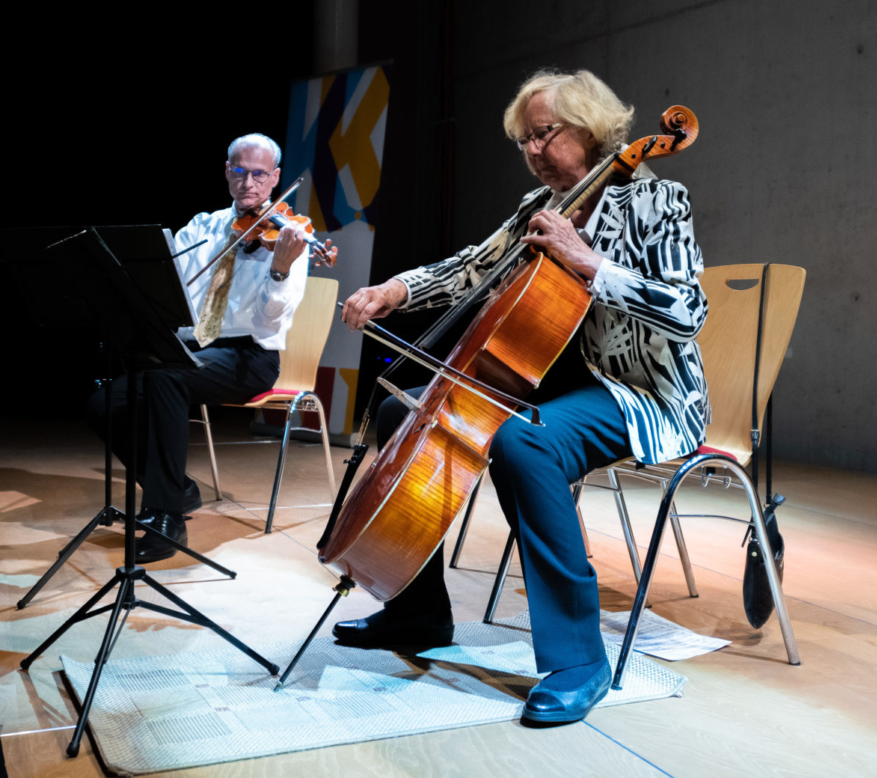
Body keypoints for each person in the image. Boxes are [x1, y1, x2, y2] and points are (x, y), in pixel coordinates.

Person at [337, 70, 709, 724]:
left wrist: (590, 264)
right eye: (525, 140)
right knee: (404, 408)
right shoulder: (539, 208)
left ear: (590, 129)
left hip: (639, 395)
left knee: (522, 438)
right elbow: (468, 269)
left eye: (546, 134)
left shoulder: (659, 201)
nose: (535, 151)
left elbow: (688, 309)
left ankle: (577, 660)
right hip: (553, 384)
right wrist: (392, 291)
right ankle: (418, 610)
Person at [88, 133, 310, 563]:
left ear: (276, 178)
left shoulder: (290, 237)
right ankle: (179, 488)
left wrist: (279, 270)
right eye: (240, 172)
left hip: (249, 358)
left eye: (259, 175)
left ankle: (165, 515)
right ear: (227, 171)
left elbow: (269, 323)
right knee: (102, 404)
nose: (249, 183)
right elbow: (170, 288)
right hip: (192, 350)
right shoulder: (201, 227)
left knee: (167, 376)